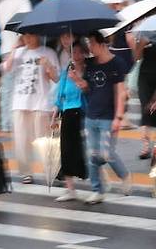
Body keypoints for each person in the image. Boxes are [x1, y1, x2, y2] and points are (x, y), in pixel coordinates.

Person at [74, 32, 131, 204]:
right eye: (88, 43)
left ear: (102, 44)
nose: (89, 47)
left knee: (107, 154)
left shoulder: (116, 63)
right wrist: (77, 80)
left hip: (108, 117)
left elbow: (120, 92)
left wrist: (118, 117)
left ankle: (125, 175)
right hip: (91, 116)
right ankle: (97, 190)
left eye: (91, 43)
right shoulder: (90, 64)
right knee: (92, 155)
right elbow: (87, 88)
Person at [2, 33, 59, 184]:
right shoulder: (19, 53)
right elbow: (6, 69)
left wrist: (48, 66)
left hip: (41, 102)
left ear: (38, 35)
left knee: (44, 139)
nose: (27, 38)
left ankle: (50, 170)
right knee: (21, 141)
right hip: (20, 102)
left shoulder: (48, 52)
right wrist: (14, 48)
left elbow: (56, 78)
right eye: (24, 35)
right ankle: (26, 172)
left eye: (31, 35)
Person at [53, 41, 88, 202]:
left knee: (82, 149)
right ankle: (70, 188)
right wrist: (55, 112)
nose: (76, 56)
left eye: (80, 52)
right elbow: (60, 93)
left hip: (81, 112)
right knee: (66, 149)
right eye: (73, 52)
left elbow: (87, 90)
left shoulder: (88, 69)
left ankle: (98, 181)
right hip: (68, 112)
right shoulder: (67, 70)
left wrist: (77, 78)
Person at [0, 0, 32, 132]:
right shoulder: (24, 3)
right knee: (23, 88)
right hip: (21, 49)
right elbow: (26, 24)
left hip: (5, 49)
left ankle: (6, 124)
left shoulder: (0, 5)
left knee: (7, 89)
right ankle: (20, 124)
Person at [134, 35, 156, 159]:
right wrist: (142, 43)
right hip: (145, 76)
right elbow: (136, 57)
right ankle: (146, 146)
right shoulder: (143, 34)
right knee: (146, 110)